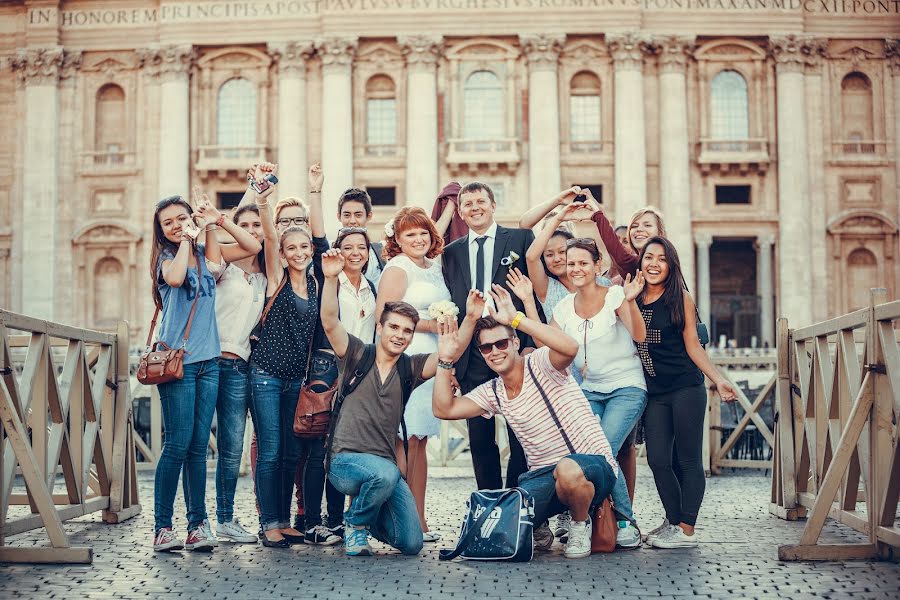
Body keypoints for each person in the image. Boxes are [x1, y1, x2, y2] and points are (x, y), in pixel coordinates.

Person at [432, 285, 619, 559]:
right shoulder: (493, 391)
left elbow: (570, 346)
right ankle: (539, 524)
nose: (495, 351)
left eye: (502, 343)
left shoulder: (540, 363)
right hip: (544, 475)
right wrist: (445, 361)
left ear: (515, 343)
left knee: (567, 470)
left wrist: (517, 319)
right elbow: (444, 409)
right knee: (511, 505)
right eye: (486, 347)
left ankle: (580, 524)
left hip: (592, 465)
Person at [319, 248, 483, 556]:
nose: (400, 335)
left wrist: (471, 319)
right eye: (393, 327)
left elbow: (449, 354)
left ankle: (372, 520)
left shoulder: (409, 368)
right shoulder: (357, 354)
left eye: (407, 331)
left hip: (383, 469)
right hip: (344, 462)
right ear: (380, 327)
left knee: (411, 542)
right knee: (387, 471)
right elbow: (329, 321)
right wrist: (330, 279)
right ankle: (355, 523)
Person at [248, 164, 332, 548]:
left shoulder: (315, 283)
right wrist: (263, 201)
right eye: (291, 248)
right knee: (269, 450)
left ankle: (284, 519)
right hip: (265, 374)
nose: (298, 253)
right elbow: (268, 236)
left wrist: (315, 192)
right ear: (282, 253)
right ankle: (269, 523)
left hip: (293, 380)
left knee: (288, 452)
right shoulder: (276, 279)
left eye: (304, 248)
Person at [636, 237, 737, 549]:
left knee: (688, 458)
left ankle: (687, 528)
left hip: (685, 387)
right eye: (648, 257)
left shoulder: (680, 298)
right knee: (657, 459)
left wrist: (718, 380)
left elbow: (693, 345)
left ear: (671, 266)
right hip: (654, 392)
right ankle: (673, 520)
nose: (653, 264)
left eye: (661, 259)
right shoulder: (632, 298)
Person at [548, 237, 647, 549]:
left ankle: (625, 521)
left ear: (596, 266)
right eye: (571, 263)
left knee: (603, 447)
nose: (576, 268)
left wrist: (629, 301)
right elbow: (546, 349)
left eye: (582, 263)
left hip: (626, 386)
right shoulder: (562, 308)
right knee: (594, 453)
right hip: (589, 390)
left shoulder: (616, 294)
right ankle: (593, 517)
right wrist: (521, 308)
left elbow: (640, 335)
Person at [441, 182, 539, 491]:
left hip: (513, 347)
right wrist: (454, 363)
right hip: (474, 353)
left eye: (481, 201)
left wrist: (530, 345)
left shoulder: (521, 239)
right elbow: (454, 305)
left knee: (521, 433)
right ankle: (490, 504)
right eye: (467, 204)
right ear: (460, 211)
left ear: (493, 205)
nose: (475, 208)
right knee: (480, 440)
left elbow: (532, 294)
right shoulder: (451, 252)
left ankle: (517, 502)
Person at [150, 195, 221, 552]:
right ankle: (162, 527)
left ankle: (197, 525)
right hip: (178, 364)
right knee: (177, 443)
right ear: (161, 232)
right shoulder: (167, 259)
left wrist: (210, 222)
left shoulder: (204, 257)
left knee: (197, 447)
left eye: (182, 218)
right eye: (169, 222)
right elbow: (176, 279)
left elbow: (241, 251)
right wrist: (186, 240)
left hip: (210, 361)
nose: (177, 224)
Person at [196, 184, 265, 545]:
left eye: (258, 225)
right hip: (207, 362)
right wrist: (228, 213)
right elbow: (220, 241)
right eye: (247, 224)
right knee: (194, 444)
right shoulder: (222, 267)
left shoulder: (268, 277)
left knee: (232, 447)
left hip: (240, 367)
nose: (254, 231)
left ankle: (225, 518)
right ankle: (196, 522)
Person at [375, 206, 449, 542]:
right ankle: (397, 518)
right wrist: (431, 323)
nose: (418, 239)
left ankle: (419, 518)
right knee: (403, 441)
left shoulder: (436, 268)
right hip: (405, 355)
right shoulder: (397, 268)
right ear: (398, 240)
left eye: (423, 233)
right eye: (410, 234)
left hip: (433, 358)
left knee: (420, 440)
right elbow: (384, 317)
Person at [332, 226, 378, 343]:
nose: (356, 253)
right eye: (348, 248)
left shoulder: (370, 287)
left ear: (368, 254)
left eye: (362, 247)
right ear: (339, 252)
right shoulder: (330, 284)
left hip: (366, 359)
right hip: (337, 358)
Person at [337, 188, 384, 286]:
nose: (352, 221)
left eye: (358, 215)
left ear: (369, 216)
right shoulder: (330, 249)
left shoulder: (380, 251)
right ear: (339, 216)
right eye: (347, 215)